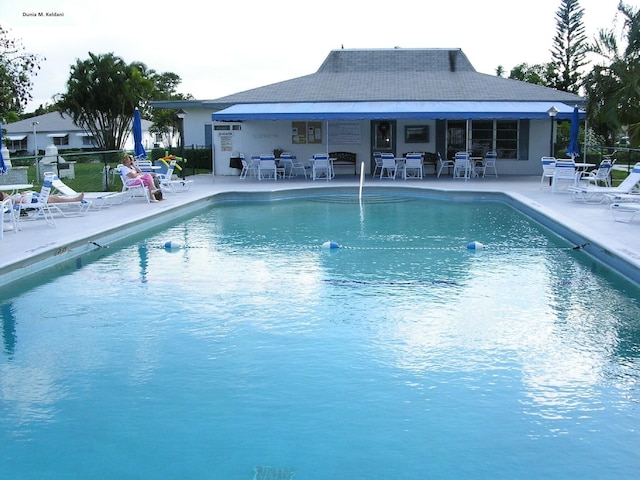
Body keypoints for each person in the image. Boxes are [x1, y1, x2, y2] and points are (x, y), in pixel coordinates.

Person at [1, 190, 85, 204]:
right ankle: (75, 199)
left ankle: (75, 199)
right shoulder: (9, 201)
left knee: (56, 197)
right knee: (57, 199)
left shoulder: (11, 198)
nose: (6, 193)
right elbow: (23, 202)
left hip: (35, 197)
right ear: (3, 197)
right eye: (4, 193)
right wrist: (24, 195)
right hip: (36, 200)